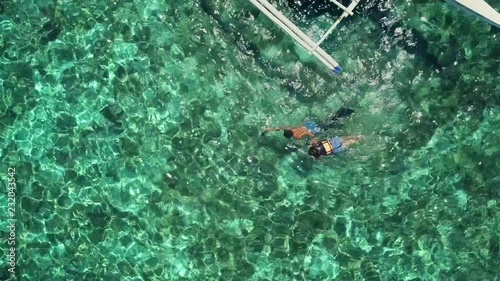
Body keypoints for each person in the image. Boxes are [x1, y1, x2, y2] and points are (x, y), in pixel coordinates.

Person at [261, 107, 354, 140]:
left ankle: (345, 113)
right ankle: (342, 112)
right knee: (328, 121)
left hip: (313, 129)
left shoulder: (296, 136)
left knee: (331, 124)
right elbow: (279, 128)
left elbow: (306, 133)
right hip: (309, 124)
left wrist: (314, 138)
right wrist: (269, 129)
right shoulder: (290, 128)